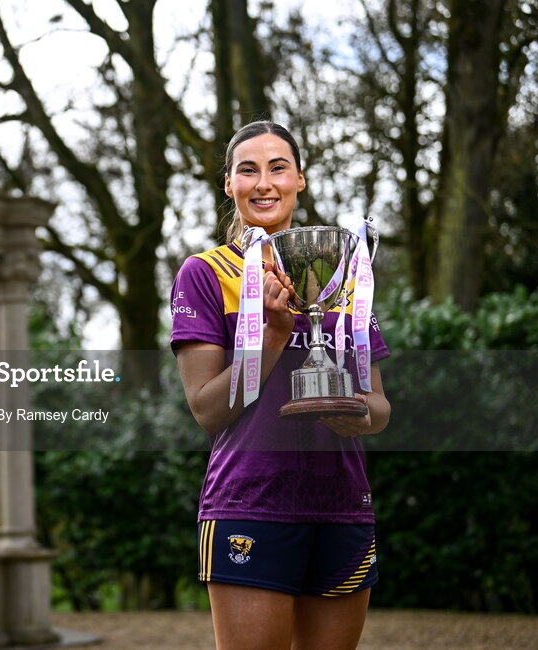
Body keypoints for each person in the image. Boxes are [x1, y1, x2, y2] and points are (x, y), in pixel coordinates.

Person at [170, 120, 392, 650]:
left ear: (300, 179)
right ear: (230, 184)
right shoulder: (204, 274)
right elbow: (206, 409)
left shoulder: (341, 274)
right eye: (248, 170)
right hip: (250, 504)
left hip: (342, 505)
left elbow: (380, 406)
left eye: (278, 168)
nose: (264, 183)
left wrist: (358, 414)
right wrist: (271, 338)